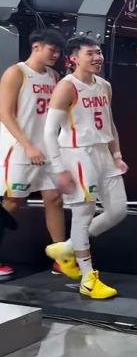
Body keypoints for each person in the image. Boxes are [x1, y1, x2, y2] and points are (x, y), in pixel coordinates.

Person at [43, 36, 128, 299]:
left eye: (98, 52)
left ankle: (67, 247)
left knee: (118, 210)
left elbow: (110, 123)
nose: (97, 57)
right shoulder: (67, 87)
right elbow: (49, 132)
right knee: (83, 214)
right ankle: (88, 278)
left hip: (103, 153)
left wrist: (117, 153)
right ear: (74, 58)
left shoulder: (104, 85)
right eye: (90, 53)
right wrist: (59, 168)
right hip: (77, 154)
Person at [0, 28, 68, 276]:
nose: (56, 55)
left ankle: (62, 258)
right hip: (19, 148)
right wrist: (28, 145)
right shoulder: (16, 73)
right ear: (36, 46)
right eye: (52, 49)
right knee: (12, 202)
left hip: (47, 148)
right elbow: (4, 113)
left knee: (54, 199)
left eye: (59, 51)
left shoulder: (54, 76)